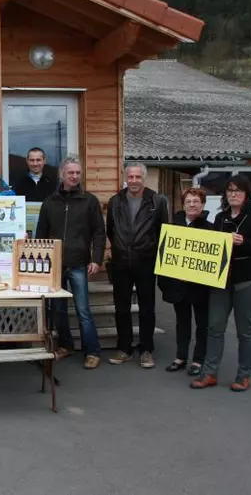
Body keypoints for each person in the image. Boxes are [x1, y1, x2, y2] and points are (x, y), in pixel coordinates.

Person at [191, 175, 251, 392]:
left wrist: (244, 242)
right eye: (230, 190)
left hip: (249, 282)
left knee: (244, 331)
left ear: (247, 194)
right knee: (215, 328)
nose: (233, 194)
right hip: (221, 281)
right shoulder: (221, 218)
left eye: (238, 190)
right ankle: (209, 373)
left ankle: (244, 375)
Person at [35, 157, 105, 369]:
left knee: (83, 310)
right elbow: (40, 235)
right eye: (70, 173)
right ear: (62, 175)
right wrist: (41, 266)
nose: (74, 176)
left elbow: (99, 234)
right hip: (55, 266)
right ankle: (66, 345)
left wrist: (96, 259)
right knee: (58, 311)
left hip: (78, 264)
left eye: (78, 173)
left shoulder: (89, 201)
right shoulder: (50, 202)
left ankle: (92, 351)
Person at [106, 162, 169, 368]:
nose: (133, 181)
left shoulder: (157, 201)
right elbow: (110, 230)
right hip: (121, 262)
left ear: (144, 178)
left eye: (137, 177)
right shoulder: (115, 201)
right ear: (126, 178)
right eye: (130, 177)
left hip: (146, 262)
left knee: (147, 309)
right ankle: (124, 348)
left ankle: (146, 349)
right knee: (121, 308)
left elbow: (163, 232)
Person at [158, 188, 212, 377]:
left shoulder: (210, 229)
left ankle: (198, 359)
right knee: (182, 323)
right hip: (179, 286)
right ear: (183, 204)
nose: (192, 205)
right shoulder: (173, 227)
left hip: (201, 287)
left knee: (202, 324)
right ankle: (180, 357)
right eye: (188, 201)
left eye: (196, 201)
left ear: (203, 205)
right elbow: (165, 255)